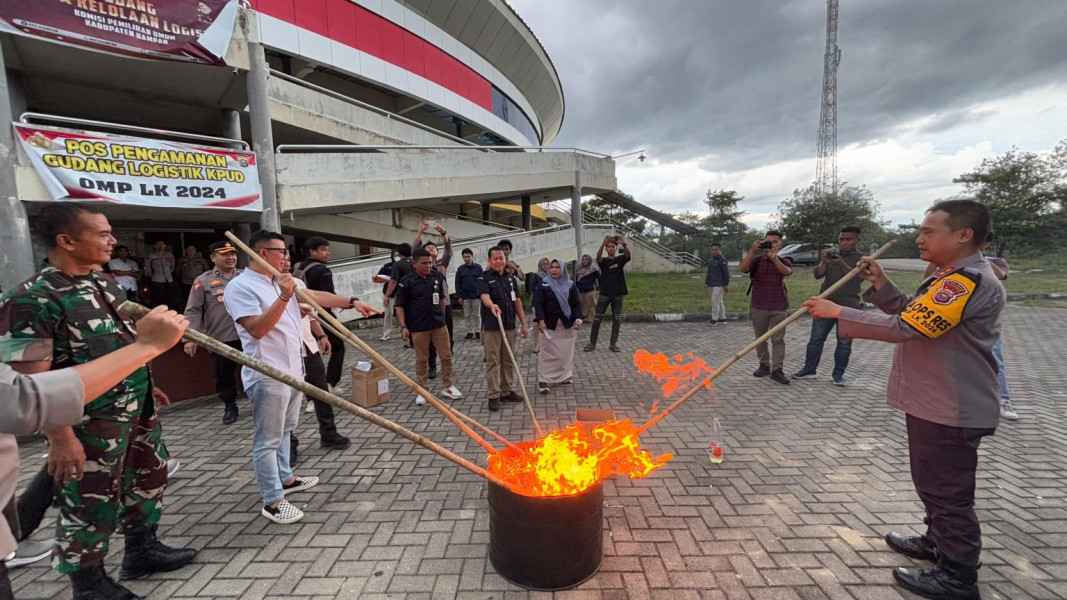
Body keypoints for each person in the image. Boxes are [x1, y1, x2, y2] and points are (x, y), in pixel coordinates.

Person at [805, 200, 1004, 599]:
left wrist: (838, 311)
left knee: (947, 492)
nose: (919, 238)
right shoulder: (951, 277)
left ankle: (958, 576)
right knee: (934, 485)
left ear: (963, 235)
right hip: (939, 402)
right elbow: (916, 314)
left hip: (951, 406)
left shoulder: (964, 282)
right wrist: (881, 284)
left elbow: (907, 328)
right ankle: (937, 542)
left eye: (929, 231)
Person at [0, 202, 197, 597]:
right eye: (103, 233)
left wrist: (148, 384)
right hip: (87, 425)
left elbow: (124, 344)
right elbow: (33, 385)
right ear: (67, 240)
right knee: (89, 502)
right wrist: (61, 439)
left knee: (147, 479)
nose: (112, 240)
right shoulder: (32, 299)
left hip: (135, 411)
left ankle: (142, 550)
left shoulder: (103, 283)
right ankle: (89, 583)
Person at [223, 231, 362, 524]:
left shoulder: (282, 282)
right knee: (268, 440)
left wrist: (351, 301)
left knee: (286, 430)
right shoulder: (241, 287)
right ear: (262, 253)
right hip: (268, 373)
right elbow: (257, 329)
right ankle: (273, 501)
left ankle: (286, 478)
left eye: (287, 252)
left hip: (294, 369)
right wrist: (285, 298)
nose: (287, 257)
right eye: (282, 252)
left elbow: (315, 296)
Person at [923, 232, 1017, 421]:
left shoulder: (995, 262)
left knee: (995, 359)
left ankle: (1004, 399)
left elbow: (1000, 275)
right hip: (955, 319)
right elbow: (928, 277)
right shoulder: (951, 263)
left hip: (983, 325)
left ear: (985, 244)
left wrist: (977, 256)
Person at [183, 241, 244, 425]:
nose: (230, 258)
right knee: (224, 376)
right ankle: (230, 405)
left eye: (232, 254)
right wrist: (190, 338)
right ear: (212, 258)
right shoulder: (203, 280)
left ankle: (260, 402)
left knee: (257, 372)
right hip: (221, 337)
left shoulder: (245, 277)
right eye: (224, 254)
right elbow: (193, 310)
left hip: (248, 335)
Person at [793, 226, 862, 386]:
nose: (844, 243)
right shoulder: (833, 254)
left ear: (857, 240)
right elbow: (818, 274)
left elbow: (857, 278)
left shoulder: (862, 258)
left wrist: (842, 263)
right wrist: (824, 261)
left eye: (848, 239)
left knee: (844, 343)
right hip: (825, 304)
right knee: (816, 339)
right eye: (841, 239)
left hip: (848, 307)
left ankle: (838, 375)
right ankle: (809, 370)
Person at [395, 247, 463, 403]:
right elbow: (400, 306)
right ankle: (423, 390)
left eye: (430, 262)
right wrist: (403, 326)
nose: (428, 266)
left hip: (438, 324)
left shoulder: (436, 276)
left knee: (446, 356)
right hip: (418, 327)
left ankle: (448, 386)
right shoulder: (407, 282)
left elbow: (441, 299)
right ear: (414, 264)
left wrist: (442, 317)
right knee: (422, 359)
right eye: (424, 263)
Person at [293, 236, 351, 393]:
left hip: (301, 314)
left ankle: (308, 387)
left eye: (327, 250)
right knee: (338, 347)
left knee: (308, 350)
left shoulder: (298, 267)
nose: (327, 253)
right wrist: (343, 302)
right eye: (323, 250)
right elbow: (327, 295)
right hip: (321, 315)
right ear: (312, 251)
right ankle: (330, 383)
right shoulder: (323, 270)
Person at [477, 246, 528, 411]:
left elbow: (517, 301)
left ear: (505, 260)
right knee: (493, 361)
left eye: (501, 258)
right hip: (492, 327)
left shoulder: (510, 279)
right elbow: (484, 296)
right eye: (495, 258)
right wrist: (491, 305)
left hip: (509, 326)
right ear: (489, 260)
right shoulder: (484, 278)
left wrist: (523, 324)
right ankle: (493, 395)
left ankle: (506, 391)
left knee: (508, 360)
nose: (499, 261)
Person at [739, 231, 793, 385]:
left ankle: (777, 370)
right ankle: (764, 365)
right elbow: (743, 268)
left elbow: (787, 272)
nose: (771, 244)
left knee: (778, 339)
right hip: (759, 305)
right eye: (768, 241)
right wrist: (752, 250)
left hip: (778, 305)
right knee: (760, 338)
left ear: (780, 244)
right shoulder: (756, 261)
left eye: (775, 242)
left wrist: (774, 259)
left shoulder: (783, 261)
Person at [534, 258, 584, 393]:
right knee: (546, 354)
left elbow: (577, 304)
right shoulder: (543, 284)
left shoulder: (570, 285)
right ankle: (543, 380)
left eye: (557, 267)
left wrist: (578, 319)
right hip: (549, 325)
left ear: (562, 269)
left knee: (565, 354)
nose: (554, 270)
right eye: (552, 267)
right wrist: (541, 320)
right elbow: (538, 304)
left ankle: (565, 376)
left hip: (567, 326)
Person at [414, 222, 454, 380]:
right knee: (430, 338)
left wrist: (443, 232)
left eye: (433, 248)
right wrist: (420, 231)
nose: (431, 248)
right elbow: (415, 250)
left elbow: (448, 249)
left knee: (447, 334)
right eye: (428, 248)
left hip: (445, 304)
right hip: (428, 306)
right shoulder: (421, 268)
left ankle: (448, 362)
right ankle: (432, 365)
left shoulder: (442, 264)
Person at [585, 235, 631, 353]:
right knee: (597, 319)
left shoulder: (620, 260)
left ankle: (613, 344)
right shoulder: (604, 261)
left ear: (616, 248)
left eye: (613, 246)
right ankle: (592, 343)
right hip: (604, 294)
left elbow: (628, 255)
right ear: (606, 249)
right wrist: (602, 244)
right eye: (609, 247)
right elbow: (598, 258)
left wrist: (624, 244)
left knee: (616, 320)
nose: (611, 248)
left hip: (618, 294)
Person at [385, 243, 414, 349]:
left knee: (406, 316)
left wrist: (387, 295)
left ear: (399, 253)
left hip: (403, 293)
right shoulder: (415, 262)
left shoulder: (397, 264)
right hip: (416, 292)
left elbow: (393, 281)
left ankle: (411, 340)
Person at [372, 248, 402, 341]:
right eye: (395, 255)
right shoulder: (387, 266)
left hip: (401, 292)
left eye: (398, 255)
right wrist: (375, 277)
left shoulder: (405, 265)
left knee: (403, 313)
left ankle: (404, 330)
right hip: (389, 293)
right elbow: (379, 276)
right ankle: (386, 333)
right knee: (388, 313)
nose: (397, 257)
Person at [455, 248, 483, 341]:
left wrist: (481, 294)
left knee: (477, 315)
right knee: (467, 315)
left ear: (472, 256)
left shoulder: (478, 268)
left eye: (468, 256)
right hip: (465, 296)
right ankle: (469, 332)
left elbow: (482, 282)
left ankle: (478, 331)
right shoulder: (460, 269)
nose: (467, 258)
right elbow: (457, 284)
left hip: (476, 296)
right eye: (465, 257)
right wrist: (459, 296)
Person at [144, 240, 177, 308]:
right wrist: (152, 276)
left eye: (162, 244)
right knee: (158, 297)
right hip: (157, 279)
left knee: (170, 296)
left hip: (169, 279)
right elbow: (148, 267)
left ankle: (169, 309)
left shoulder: (169, 255)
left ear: (165, 246)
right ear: (155, 246)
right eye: (158, 244)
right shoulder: (151, 255)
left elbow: (173, 265)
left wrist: (169, 272)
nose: (160, 246)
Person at [174, 245, 209, 310]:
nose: (191, 251)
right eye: (189, 249)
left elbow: (206, 270)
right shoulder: (181, 260)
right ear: (186, 251)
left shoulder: (201, 260)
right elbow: (178, 271)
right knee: (187, 297)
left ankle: (200, 310)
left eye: (192, 249)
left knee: (199, 296)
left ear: (195, 251)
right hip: (186, 282)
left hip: (198, 282)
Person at [704, 244, 730, 324]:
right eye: (712, 250)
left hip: (719, 284)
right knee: (719, 301)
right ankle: (722, 318)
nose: (714, 251)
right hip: (712, 283)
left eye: (716, 250)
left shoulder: (722, 260)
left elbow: (726, 273)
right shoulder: (711, 260)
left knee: (715, 301)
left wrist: (725, 284)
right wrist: (707, 282)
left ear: (720, 250)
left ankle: (714, 319)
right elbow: (709, 273)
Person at [530, 257, 550, 353]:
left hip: (549, 303)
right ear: (540, 265)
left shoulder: (551, 275)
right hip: (537, 303)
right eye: (544, 264)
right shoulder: (536, 275)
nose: (546, 266)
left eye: (547, 264)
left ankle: (546, 343)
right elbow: (532, 288)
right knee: (537, 324)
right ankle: (536, 344)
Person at [575, 254, 599, 327]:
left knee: (591, 304)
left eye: (586, 260)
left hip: (590, 289)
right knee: (582, 304)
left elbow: (599, 277)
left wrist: (600, 286)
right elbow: (576, 280)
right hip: (581, 289)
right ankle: (584, 317)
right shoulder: (579, 268)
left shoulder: (593, 269)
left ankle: (592, 318)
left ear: (589, 260)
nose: (584, 261)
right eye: (583, 260)